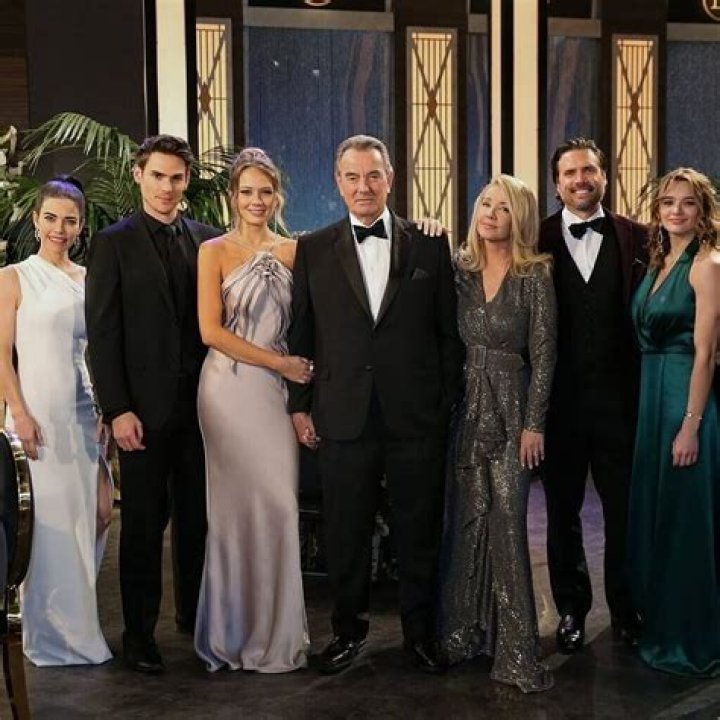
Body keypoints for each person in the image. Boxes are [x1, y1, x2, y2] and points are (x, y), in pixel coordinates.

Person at [288, 134, 464, 675]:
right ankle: (347, 633)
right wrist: (300, 406)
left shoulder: (430, 244)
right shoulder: (312, 248)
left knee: (418, 529)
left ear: (390, 179)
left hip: (416, 415)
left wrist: (443, 403)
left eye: (373, 175)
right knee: (345, 530)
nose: (363, 186)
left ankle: (420, 635)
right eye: (352, 176)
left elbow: (448, 334)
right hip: (342, 411)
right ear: (337, 182)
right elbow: (302, 333)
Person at [85, 135, 222, 674]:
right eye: (158, 176)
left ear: (186, 181)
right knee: (142, 526)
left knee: (198, 521)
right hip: (140, 412)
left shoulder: (207, 240)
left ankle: (195, 618)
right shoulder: (112, 243)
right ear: (139, 175)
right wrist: (117, 408)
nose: (167, 187)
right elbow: (103, 334)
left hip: (202, 410)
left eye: (176, 178)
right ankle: (139, 635)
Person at [194, 148, 312, 672]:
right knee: (231, 514)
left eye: (265, 191)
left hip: (275, 396)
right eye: (247, 192)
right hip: (228, 390)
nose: (256, 200)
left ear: (277, 195)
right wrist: (280, 364)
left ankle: (276, 635)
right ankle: (230, 635)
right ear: (232, 196)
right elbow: (210, 331)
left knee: (280, 506)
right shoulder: (213, 251)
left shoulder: (296, 251)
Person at [439, 175, 556, 692]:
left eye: (502, 208)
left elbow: (545, 355)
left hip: (513, 408)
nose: (489, 213)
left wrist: (534, 424)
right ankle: (464, 635)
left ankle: (515, 653)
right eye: (485, 203)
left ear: (519, 217)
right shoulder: (459, 271)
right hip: (466, 409)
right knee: (467, 521)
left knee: (507, 523)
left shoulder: (535, 274)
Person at [539, 137, 648, 652]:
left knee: (623, 513)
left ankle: (626, 609)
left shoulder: (638, 237)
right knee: (561, 515)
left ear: (604, 176)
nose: (580, 180)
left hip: (621, 406)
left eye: (589, 171)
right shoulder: (535, 239)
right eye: (570, 173)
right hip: (557, 408)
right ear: (556, 183)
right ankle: (571, 610)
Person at [0, 179, 112, 665]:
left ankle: (79, 624)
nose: (59, 229)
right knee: (45, 526)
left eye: (69, 220)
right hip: (36, 414)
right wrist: (20, 413)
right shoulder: (13, 278)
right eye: (50, 218)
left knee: (97, 514)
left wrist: (106, 409)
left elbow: (98, 350)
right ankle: (49, 633)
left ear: (81, 226)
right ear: (35, 220)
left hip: (83, 414)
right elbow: (1, 355)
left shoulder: (89, 279)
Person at [627, 167, 720, 676]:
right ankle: (661, 621)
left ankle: (690, 638)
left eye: (687, 203)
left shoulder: (707, 265)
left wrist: (690, 425)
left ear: (703, 211)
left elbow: (706, 354)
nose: (676, 211)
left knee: (685, 521)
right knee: (660, 514)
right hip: (651, 399)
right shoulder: (659, 260)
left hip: (685, 399)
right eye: (668, 202)